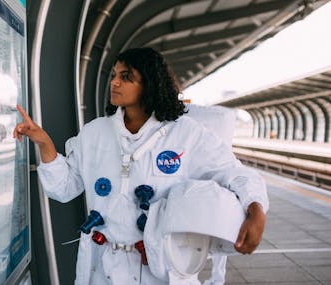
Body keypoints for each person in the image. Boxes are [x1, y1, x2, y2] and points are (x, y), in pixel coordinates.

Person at [14, 47, 268, 284]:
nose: (114, 82)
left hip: (159, 267)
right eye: (114, 75)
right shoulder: (95, 134)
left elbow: (234, 172)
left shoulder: (185, 136)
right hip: (103, 269)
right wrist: (44, 143)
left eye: (126, 77)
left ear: (150, 84)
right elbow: (64, 188)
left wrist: (255, 208)